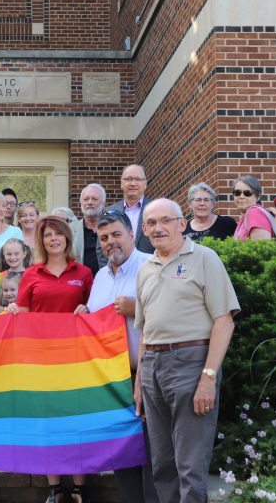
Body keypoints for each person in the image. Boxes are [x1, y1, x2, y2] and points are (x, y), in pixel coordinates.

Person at [134, 199, 240, 503]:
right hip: (153, 366)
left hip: (191, 364)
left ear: (182, 224)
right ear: (144, 230)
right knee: (162, 464)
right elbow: (144, 330)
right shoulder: (145, 269)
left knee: (190, 464)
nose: (158, 228)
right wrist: (141, 378)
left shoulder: (204, 258)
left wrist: (208, 377)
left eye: (165, 220)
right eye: (151, 223)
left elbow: (224, 320)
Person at [7, 215, 94, 503]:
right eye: (47, 235)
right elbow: (21, 315)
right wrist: (13, 313)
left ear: (68, 237)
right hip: (41, 359)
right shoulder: (31, 274)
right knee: (49, 423)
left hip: (77, 359)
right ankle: (55, 488)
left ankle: (79, 489)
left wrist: (88, 310)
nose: (53, 239)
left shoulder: (83, 273)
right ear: (41, 241)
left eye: (58, 234)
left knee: (78, 421)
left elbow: (96, 313)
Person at [78, 211, 158, 503]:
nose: (110, 242)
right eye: (103, 238)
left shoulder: (150, 266)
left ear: (130, 235)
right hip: (111, 381)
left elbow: (167, 313)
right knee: (121, 456)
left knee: (152, 455)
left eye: (116, 235)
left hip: (144, 373)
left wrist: (136, 307)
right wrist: (84, 314)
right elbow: (99, 319)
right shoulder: (100, 276)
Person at [106, 164, 154, 253]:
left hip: (152, 265)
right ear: (121, 183)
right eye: (128, 179)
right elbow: (102, 248)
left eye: (138, 179)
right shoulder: (109, 212)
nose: (133, 183)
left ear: (145, 184)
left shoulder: (156, 209)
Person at [71, 183, 109, 275]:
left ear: (103, 204)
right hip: (79, 284)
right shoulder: (69, 229)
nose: (89, 202)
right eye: (86, 199)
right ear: (81, 203)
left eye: (94, 199)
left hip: (107, 282)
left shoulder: (111, 228)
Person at [0, 238, 32, 314]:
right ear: (4, 254)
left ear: (24, 254)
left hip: (27, 318)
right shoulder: (0, 277)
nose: (12, 257)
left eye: (16, 254)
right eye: (9, 254)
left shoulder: (32, 275)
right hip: (6, 319)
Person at [232, 175, 274, 241]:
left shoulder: (254, 213)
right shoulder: (247, 215)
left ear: (258, 196)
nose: (241, 196)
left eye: (247, 193)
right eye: (237, 193)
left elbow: (261, 248)